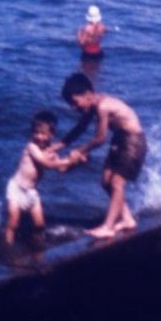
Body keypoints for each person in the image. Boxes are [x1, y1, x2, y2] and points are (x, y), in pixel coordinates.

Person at [60, 72, 147, 239]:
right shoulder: (93, 104)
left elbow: (100, 139)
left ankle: (108, 226)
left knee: (116, 183)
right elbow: (80, 128)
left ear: (87, 94)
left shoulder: (103, 106)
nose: (73, 107)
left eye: (74, 102)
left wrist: (80, 151)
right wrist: (58, 146)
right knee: (105, 182)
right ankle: (127, 219)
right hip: (120, 141)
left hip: (133, 142)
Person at [4, 110, 84, 245]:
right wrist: (68, 160)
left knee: (40, 225)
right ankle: (8, 245)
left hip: (31, 191)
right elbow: (45, 163)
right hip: (16, 188)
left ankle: (38, 245)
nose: (38, 137)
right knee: (13, 223)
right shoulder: (31, 147)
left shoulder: (51, 151)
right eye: (35, 133)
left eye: (42, 134)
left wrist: (76, 163)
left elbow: (61, 169)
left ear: (51, 135)